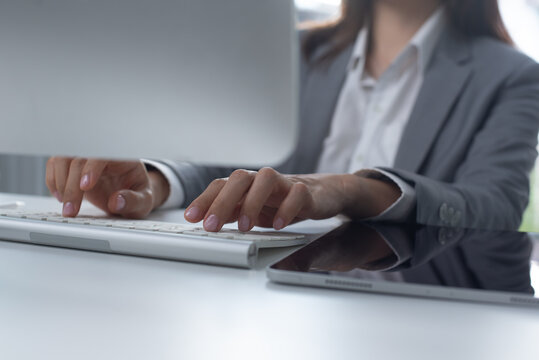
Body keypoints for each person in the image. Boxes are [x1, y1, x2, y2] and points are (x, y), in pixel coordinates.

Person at [45, 0, 539, 232]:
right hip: (268, 290)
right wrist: (154, 183)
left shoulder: (512, 76)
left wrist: (355, 189)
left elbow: (493, 207)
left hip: (407, 305)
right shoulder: (299, 53)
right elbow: (232, 166)